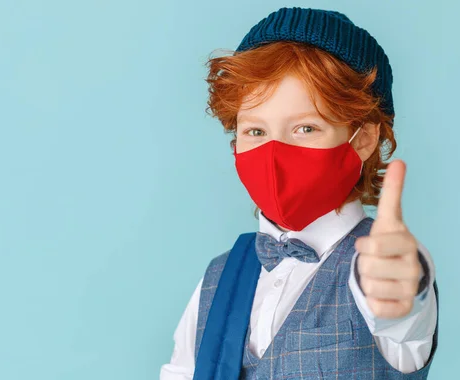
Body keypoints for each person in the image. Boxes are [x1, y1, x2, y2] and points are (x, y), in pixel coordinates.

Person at [160, 6, 438, 379]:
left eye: (306, 128)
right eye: (255, 132)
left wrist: (405, 284)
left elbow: (403, 317)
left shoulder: (383, 269)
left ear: (365, 138)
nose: (274, 152)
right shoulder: (217, 275)